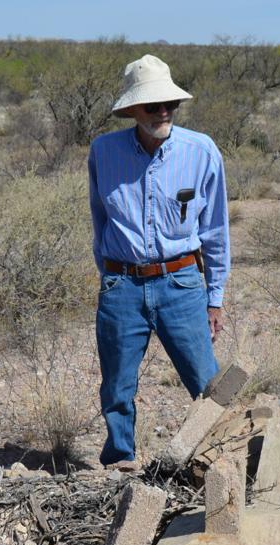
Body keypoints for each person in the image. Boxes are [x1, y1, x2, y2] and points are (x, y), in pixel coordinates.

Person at [88, 54, 230, 470]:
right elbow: (101, 221)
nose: (163, 112)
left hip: (182, 282)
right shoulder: (104, 152)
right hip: (121, 285)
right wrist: (112, 280)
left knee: (207, 383)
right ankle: (120, 464)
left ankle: (222, 461)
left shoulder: (201, 151)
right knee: (116, 385)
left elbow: (216, 230)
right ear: (133, 109)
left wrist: (215, 297)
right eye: (153, 105)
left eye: (171, 104)